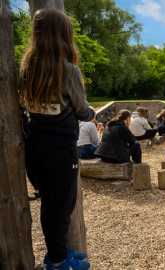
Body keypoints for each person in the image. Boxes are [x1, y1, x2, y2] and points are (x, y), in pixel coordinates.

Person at [19, 9, 92, 270]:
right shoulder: (68, 70)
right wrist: (91, 113)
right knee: (63, 206)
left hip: (35, 143)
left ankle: (55, 253)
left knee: (49, 203)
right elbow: (83, 110)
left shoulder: (28, 66)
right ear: (64, 36)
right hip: (61, 148)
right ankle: (60, 262)